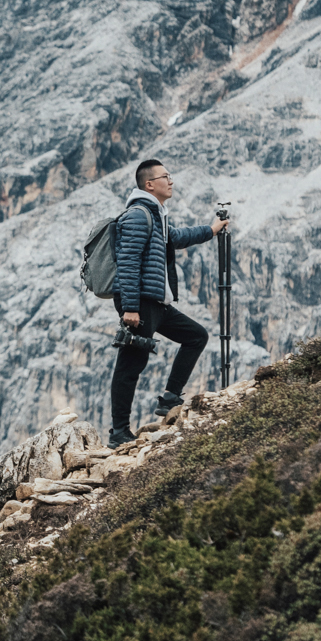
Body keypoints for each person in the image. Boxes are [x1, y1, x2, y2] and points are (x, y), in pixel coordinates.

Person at [107, 158, 229, 445]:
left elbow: (176, 237)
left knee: (196, 336)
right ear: (149, 184)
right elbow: (127, 261)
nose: (171, 181)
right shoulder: (138, 215)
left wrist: (211, 230)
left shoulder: (156, 216)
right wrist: (130, 307)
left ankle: (170, 397)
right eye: (166, 176)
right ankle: (119, 432)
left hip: (156, 304)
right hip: (141, 304)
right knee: (130, 366)